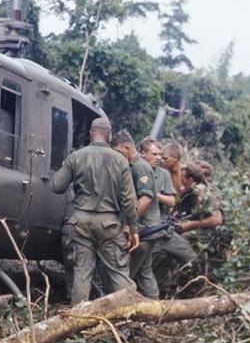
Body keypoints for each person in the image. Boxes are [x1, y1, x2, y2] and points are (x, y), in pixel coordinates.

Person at [52, 117, 139, 305]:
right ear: (108, 136)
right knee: (118, 273)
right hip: (109, 224)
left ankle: (77, 325)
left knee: (82, 273)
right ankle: (129, 321)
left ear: (91, 134)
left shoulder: (76, 156)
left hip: (80, 222)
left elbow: (57, 186)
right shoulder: (121, 160)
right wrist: (134, 229)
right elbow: (129, 201)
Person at [140, 138, 198, 295]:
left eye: (164, 157)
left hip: (166, 226)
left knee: (171, 261)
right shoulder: (152, 172)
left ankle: (187, 292)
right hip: (155, 226)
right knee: (148, 267)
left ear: (175, 159)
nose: (160, 160)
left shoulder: (181, 176)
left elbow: (175, 200)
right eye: (157, 155)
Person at [110, 130, 158, 298]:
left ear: (127, 147)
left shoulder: (139, 167)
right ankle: (156, 309)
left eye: (118, 152)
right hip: (147, 228)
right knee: (145, 273)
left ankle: (123, 307)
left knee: (124, 274)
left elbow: (145, 199)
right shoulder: (134, 166)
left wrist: (129, 225)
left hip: (144, 229)